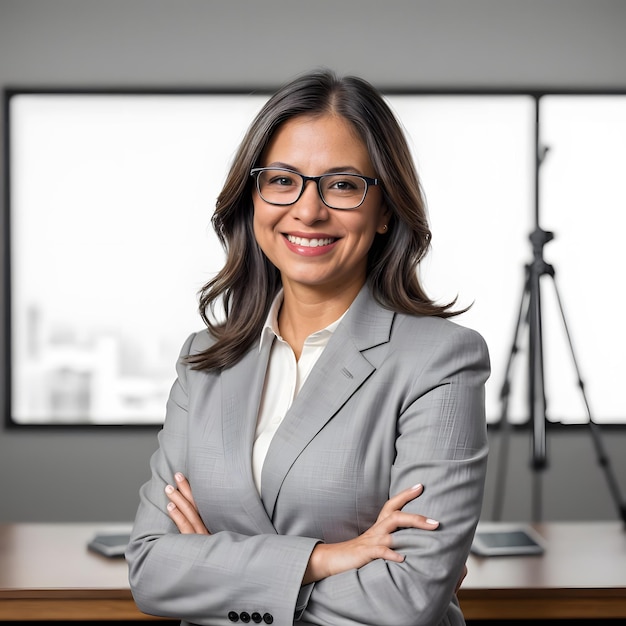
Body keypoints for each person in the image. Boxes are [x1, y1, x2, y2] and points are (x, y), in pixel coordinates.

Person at [126, 69, 490, 626]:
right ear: (253, 197)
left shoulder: (440, 360)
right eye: (282, 180)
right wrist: (323, 559)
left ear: (386, 209)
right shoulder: (206, 360)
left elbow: (406, 600)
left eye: (343, 185)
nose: (308, 210)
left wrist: (216, 576)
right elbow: (152, 569)